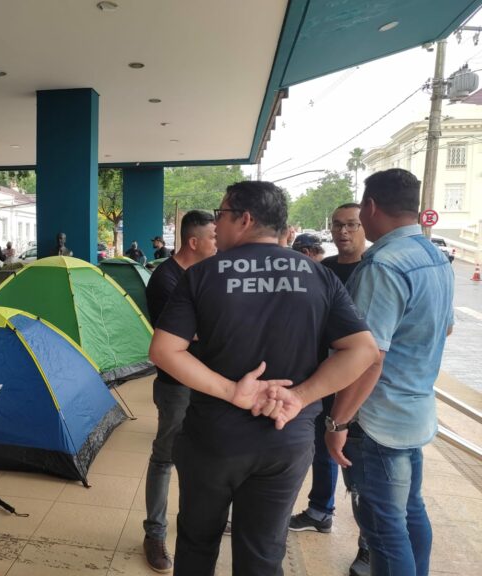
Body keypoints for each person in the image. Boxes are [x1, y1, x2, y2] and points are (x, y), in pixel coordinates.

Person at [149, 180, 378, 576]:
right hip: (284, 439)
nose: (215, 226)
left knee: (197, 544)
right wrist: (300, 397)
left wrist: (232, 391)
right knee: (262, 553)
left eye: (221, 215)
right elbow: (363, 350)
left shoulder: (203, 275)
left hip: (213, 440)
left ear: (245, 218)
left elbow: (164, 350)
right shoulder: (317, 275)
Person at [324, 169, 454, 576]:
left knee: (382, 529)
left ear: (372, 207)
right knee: (411, 512)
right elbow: (445, 327)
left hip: (376, 419)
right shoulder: (436, 257)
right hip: (414, 412)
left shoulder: (383, 265)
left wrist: (338, 420)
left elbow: (368, 356)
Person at [289, 202, 370, 573]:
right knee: (323, 447)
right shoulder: (324, 271)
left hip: (365, 384)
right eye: (337, 225)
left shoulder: (375, 271)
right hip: (325, 376)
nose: (343, 232)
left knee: (358, 464)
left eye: (351, 224)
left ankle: (369, 541)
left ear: (364, 224)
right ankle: (320, 509)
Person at [142, 210, 217, 572]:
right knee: (165, 457)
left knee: (203, 458)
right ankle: (155, 532)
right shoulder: (166, 280)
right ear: (194, 242)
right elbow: (189, 336)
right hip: (176, 386)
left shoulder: (204, 273)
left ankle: (202, 522)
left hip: (207, 382)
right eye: (213, 238)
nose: (218, 244)